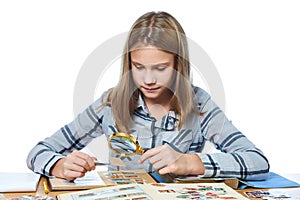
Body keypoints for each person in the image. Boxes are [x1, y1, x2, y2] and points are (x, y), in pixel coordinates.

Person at [27, 11, 270, 181]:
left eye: (161, 68)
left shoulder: (199, 104)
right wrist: (59, 166)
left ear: (179, 65)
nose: (148, 80)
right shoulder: (110, 103)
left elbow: (258, 162)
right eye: (138, 67)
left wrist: (191, 162)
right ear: (128, 63)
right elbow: (38, 152)